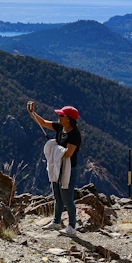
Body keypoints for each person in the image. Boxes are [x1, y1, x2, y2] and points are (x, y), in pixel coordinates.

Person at [27, 101, 82, 236]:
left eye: (61, 115)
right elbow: (44, 123)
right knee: (57, 196)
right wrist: (32, 113)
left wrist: (55, 148)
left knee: (67, 197)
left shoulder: (74, 134)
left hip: (68, 170)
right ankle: (56, 222)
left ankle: (72, 226)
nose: (59, 117)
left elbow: (68, 153)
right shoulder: (60, 128)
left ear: (68, 119)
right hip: (58, 166)